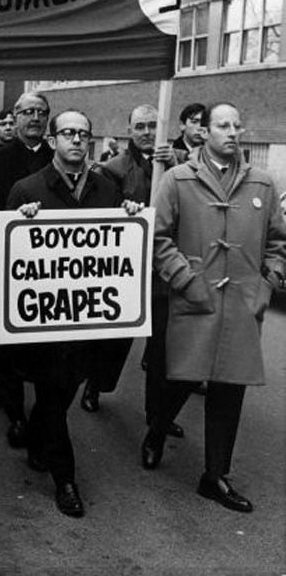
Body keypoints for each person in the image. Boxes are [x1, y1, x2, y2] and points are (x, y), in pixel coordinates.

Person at [142, 103, 286, 513]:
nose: (233, 132)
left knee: (229, 390)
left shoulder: (262, 184)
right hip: (194, 299)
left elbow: (279, 243)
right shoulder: (177, 179)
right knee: (180, 380)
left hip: (243, 304)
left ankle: (215, 476)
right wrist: (185, 280)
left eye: (238, 125)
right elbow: (158, 237)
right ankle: (156, 430)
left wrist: (268, 284)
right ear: (204, 132)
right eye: (223, 125)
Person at [6, 109, 142, 517]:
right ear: (53, 141)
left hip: (87, 321)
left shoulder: (105, 189)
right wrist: (20, 221)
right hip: (45, 325)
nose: (77, 141)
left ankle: (35, 437)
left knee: (61, 394)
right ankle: (65, 480)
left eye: (84, 134)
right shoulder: (26, 189)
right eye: (68, 133)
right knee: (51, 392)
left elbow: (117, 249)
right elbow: (9, 257)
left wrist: (130, 216)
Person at [0, 92, 53, 450]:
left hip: (51, 270)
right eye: (27, 112)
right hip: (4, 263)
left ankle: (41, 410)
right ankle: (14, 408)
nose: (34, 117)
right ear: (15, 117)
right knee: (8, 339)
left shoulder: (57, 158)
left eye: (41, 112)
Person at [96, 105, 186, 435]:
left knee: (161, 345)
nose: (147, 132)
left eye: (152, 126)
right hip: (128, 266)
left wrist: (176, 164)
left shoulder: (179, 161)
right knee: (116, 339)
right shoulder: (114, 168)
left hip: (163, 266)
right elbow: (104, 212)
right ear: (129, 129)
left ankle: (156, 415)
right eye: (140, 126)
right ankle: (96, 385)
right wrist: (125, 209)